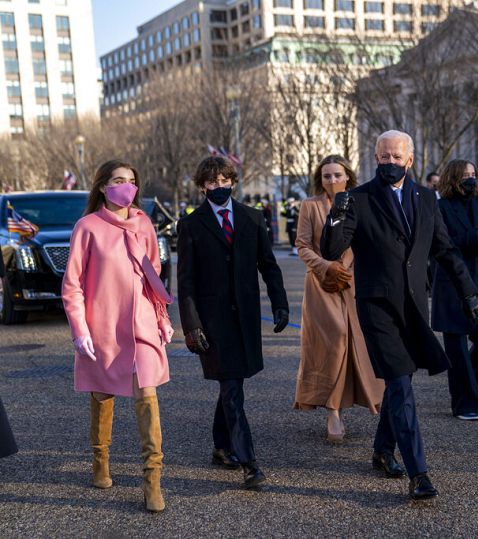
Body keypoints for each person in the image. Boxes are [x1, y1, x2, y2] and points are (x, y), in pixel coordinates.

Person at [320, 130, 478, 500]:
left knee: (400, 383)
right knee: (401, 385)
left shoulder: (426, 198)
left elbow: (444, 249)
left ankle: (381, 450)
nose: (389, 163)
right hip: (376, 306)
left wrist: (468, 292)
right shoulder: (357, 199)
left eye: (396, 157)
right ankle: (419, 473)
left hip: (413, 307)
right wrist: (337, 212)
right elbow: (331, 248)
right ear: (375, 158)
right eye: (383, 157)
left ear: (410, 160)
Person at [62, 160, 173, 512]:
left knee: (147, 397)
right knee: (103, 396)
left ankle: (152, 480)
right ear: (103, 186)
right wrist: (80, 330)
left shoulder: (143, 223)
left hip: (141, 326)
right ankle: (100, 461)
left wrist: (162, 318)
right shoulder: (88, 227)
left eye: (131, 180)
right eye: (118, 180)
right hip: (103, 327)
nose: (127, 186)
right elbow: (72, 284)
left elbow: (153, 273)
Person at [177, 156, 289, 490]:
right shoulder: (192, 225)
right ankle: (249, 462)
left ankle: (221, 446)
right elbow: (186, 283)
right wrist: (191, 325)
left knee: (232, 386)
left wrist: (280, 304)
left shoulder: (253, 218)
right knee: (232, 390)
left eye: (225, 180)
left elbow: (269, 265)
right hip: (212, 323)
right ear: (202, 186)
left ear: (233, 182)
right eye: (213, 182)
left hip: (245, 319)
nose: (220, 186)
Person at [294, 155, 384, 441]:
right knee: (334, 341)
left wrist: (350, 268)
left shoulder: (361, 202)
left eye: (337, 175)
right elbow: (303, 245)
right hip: (321, 285)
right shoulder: (310, 206)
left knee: (356, 342)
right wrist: (326, 266)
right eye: (326, 176)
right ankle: (333, 411)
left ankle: (365, 398)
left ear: (348, 176)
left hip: (355, 282)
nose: (332, 180)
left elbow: (369, 241)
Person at [432, 159, 478, 421]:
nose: (471, 179)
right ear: (453, 178)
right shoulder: (440, 207)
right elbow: (438, 245)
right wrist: (470, 240)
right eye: (465, 175)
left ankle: (465, 386)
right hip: (451, 285)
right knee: (457, 348)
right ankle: (465, 402)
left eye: (473, 174)